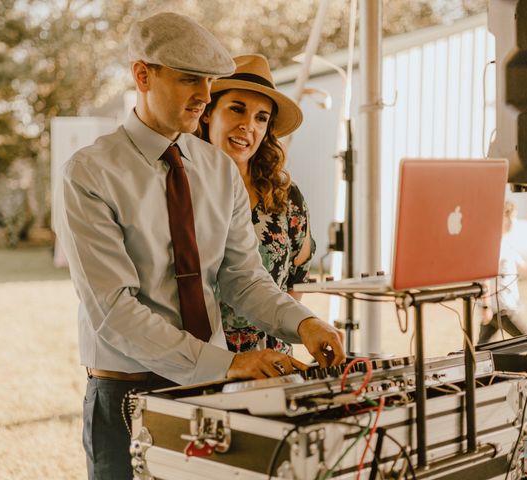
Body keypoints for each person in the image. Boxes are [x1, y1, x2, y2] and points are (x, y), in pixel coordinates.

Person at [52, 12, 345, 480]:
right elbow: (113, 310)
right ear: (143, 75)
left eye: (209, 81)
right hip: (125, 398)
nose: (204, 96)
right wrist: (229, 363)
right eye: (190, 79)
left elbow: (244, 279)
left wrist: (304, 323)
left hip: (209, 392)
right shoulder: (89, 172)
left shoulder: (218, 169)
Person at [198, 54, 314, 355]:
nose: (247, 126)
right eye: (237, 109)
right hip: (203, 361)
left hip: (272, 360)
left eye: (261, 118)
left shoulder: (287, 197)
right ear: (208, 112)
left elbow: (296, 282)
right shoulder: (181, 187)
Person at [478, 201, 527, 344]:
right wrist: (486, 306)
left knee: (481, 351)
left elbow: (523, 267)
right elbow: (484, 275)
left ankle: (473, 366)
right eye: (507, 216)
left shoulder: (505, 243)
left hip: (499, 308)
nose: (512, 221)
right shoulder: (493, 244)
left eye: (514, 217)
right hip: (501, 309)